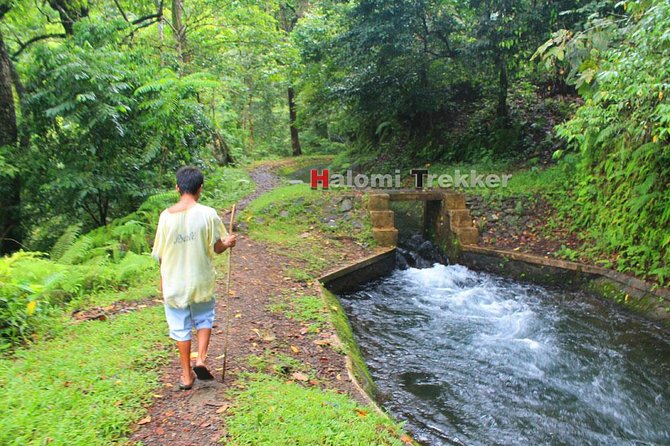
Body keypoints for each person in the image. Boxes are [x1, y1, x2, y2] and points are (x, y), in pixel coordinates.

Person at [151, 166, 237, 390]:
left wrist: (162, 280)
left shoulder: (165, 217)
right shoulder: (208, 214)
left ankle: (187, 376)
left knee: (180, 326)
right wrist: (227, 243)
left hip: (174, 282)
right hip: (201, 279)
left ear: (177, 187)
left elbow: (159, 254)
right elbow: (218, 247)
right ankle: (201, 359)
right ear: (200, 188)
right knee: (204, 318)